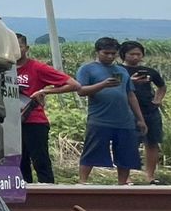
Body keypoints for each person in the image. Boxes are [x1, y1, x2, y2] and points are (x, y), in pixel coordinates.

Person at [75, 37, 148, 184]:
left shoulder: (121, 70)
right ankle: (83, 182)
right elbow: (81, 91)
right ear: (97, 52)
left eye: (113, 53)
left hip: (124, 120)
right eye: (106, 53)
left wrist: (140, 119)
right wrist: (102, 85)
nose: (110, 56)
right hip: (100, 118)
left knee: (125, 154)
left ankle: (122, 184)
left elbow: (130, 94)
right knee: (92, 150)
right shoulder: (87, 69)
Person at [14, 33, 79, 183]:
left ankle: (48, 192)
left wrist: (45, 91)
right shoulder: (2, 68)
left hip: (34, 121)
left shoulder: (37, 67)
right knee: (19, 162)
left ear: (26, 48)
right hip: (10, 122)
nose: (15, 50)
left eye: (19, 46)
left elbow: (74, 85)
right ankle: (26, 197)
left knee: (40, 161)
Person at [120, 41, 167, 183]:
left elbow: (162, 86)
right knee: (129, 143)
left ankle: (150, 176)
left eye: (138, 54)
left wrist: (157, 100)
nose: (135, 57)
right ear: (123, 55)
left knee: (152, 142)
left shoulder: (150, 72)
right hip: (128, 111)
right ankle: (126, 177)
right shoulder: (118, 70)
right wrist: (130, 81)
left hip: (150, 110)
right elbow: (113, 86)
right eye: (131, 54)